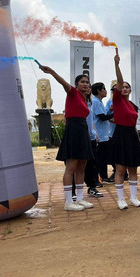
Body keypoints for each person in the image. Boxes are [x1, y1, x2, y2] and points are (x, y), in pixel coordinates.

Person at [39, 65, 94, 211]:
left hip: (82, 130)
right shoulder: (72, 93)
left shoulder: (84, 99)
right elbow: (62, 82)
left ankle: (80, 198)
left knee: (82, 166)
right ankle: (69, 201)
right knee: (71, 167)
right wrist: (52, 72)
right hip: (73, 130)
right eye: (82, 81)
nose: (85, 84)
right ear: (76, 84)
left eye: (87, 82)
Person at [109, 53, 140, 210]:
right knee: (120, 169)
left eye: (127, 87)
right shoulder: (116, 100)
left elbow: (133, 122)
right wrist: (117, 65)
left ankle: (134, 198)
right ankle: (121, 199)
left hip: (131, 135)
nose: (124, 88)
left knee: (133, 168)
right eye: (122, 86)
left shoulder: (132, 105)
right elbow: (120, 81)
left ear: (130, 90)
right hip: (121, 135)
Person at [91, 82, 113, 185]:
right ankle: (99, 178)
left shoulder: (99, 102)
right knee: (99, 158)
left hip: (104, 134)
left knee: (103, 157)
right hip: (99, 135)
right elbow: (102, 117)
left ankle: (104, 176)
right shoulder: (96, 102)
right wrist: (115, 113)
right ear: (99, 91)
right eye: (103, 89)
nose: (105, 91)